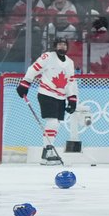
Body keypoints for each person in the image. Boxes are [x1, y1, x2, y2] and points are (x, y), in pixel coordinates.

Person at [18, 36, 80, 164]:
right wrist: (25, 83)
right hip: (46, 93)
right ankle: (48, 151)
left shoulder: (70, 62)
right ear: (55, 46)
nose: (62, 46)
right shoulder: (47, 57)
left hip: (61, 97)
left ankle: (47, 152)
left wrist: (72, 99)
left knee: (56, 123)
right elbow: (33, 69)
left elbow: (71, 82)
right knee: (52, 121)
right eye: (59, 44)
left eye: (64, 44)